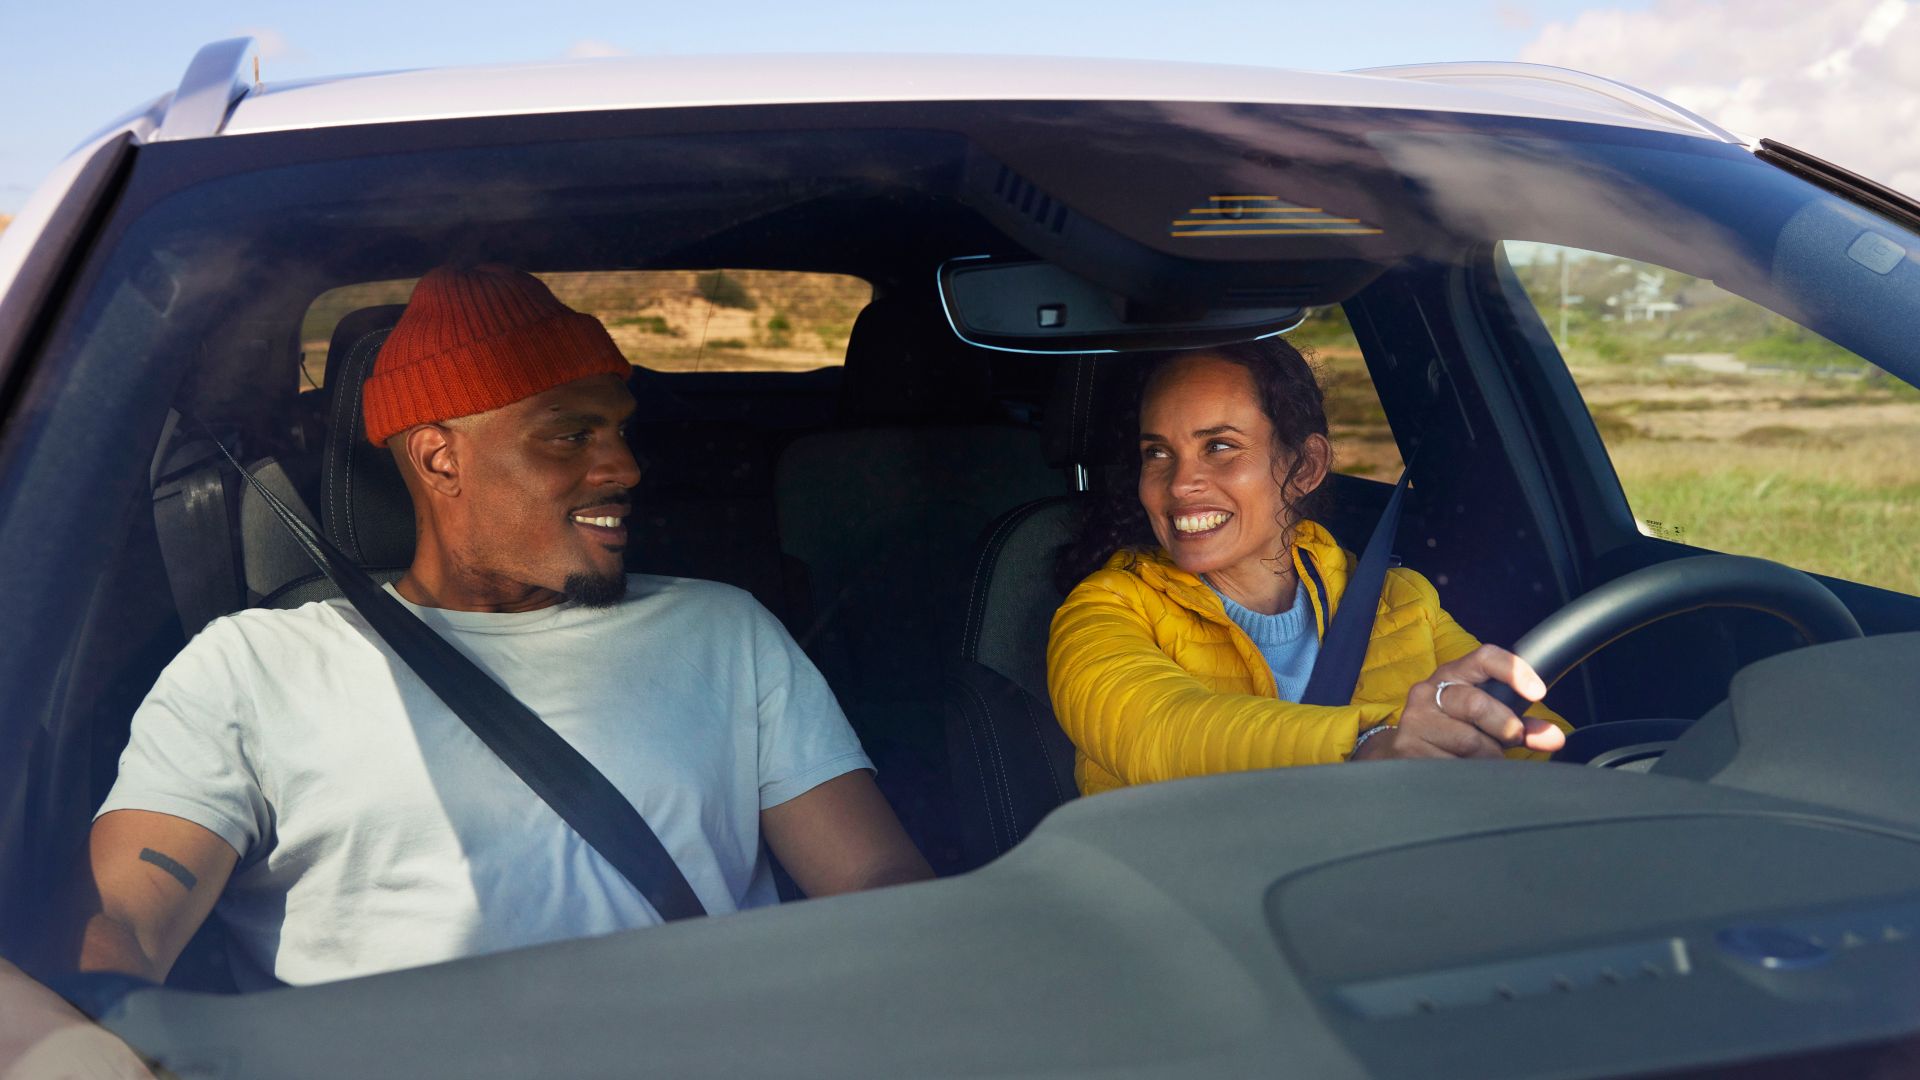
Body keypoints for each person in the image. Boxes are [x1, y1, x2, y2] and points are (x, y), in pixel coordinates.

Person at [71, 265, 932, 989]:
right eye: (569, 435)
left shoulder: (725, 632)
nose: (624, 466)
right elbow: (128, 922)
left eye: (621, 431)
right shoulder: (254, 667)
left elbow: (876, 883)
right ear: (441, 458)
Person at [1047, 339, 1570, 797]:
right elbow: (1158, 732)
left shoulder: (1401, 601)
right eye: (1158, 454)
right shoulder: (1103, 610)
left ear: (1305, 467)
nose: (1181, 484)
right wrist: (1371, 746)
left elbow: (1535, 749)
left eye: (1220, 447)